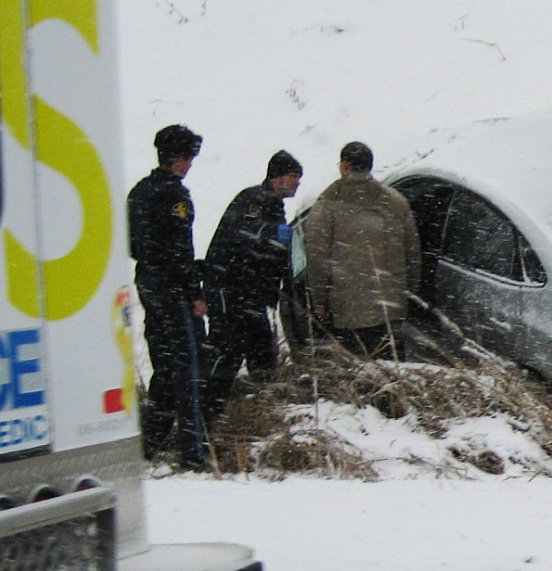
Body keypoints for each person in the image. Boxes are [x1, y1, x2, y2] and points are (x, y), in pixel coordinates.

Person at [127, 124, 209, 469]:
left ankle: (150, 440)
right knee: (188, 368)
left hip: (147, 283)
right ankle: (194, 453)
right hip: (173, 289)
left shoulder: (138, 192)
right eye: (188, 156)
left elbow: (132, 245)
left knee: (163, 364)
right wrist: (195, 293)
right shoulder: (175, 196)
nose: (190, 163)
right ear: (176, 157)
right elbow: (181, 250)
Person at [202, 150, 302, 421]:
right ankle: (205, 417)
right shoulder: (254, 200)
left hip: (251, 295)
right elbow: (241, 233)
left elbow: (270, 253)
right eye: (293, 176)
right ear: (277, 177)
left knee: (262, 351)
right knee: (227, 352)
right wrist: (271, 234)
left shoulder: (273, 206)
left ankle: (258, 412)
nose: (297, 183)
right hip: (230, 289)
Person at [304, 141, 421, 359]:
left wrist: (320, 300)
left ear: (345, 166)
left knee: (356, 371)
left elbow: (317, 257)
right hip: (390, 307)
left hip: (348, 309)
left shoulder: (328, 205)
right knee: (392, 371)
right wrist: (408, 292)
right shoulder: (396, 202)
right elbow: (413, 254)